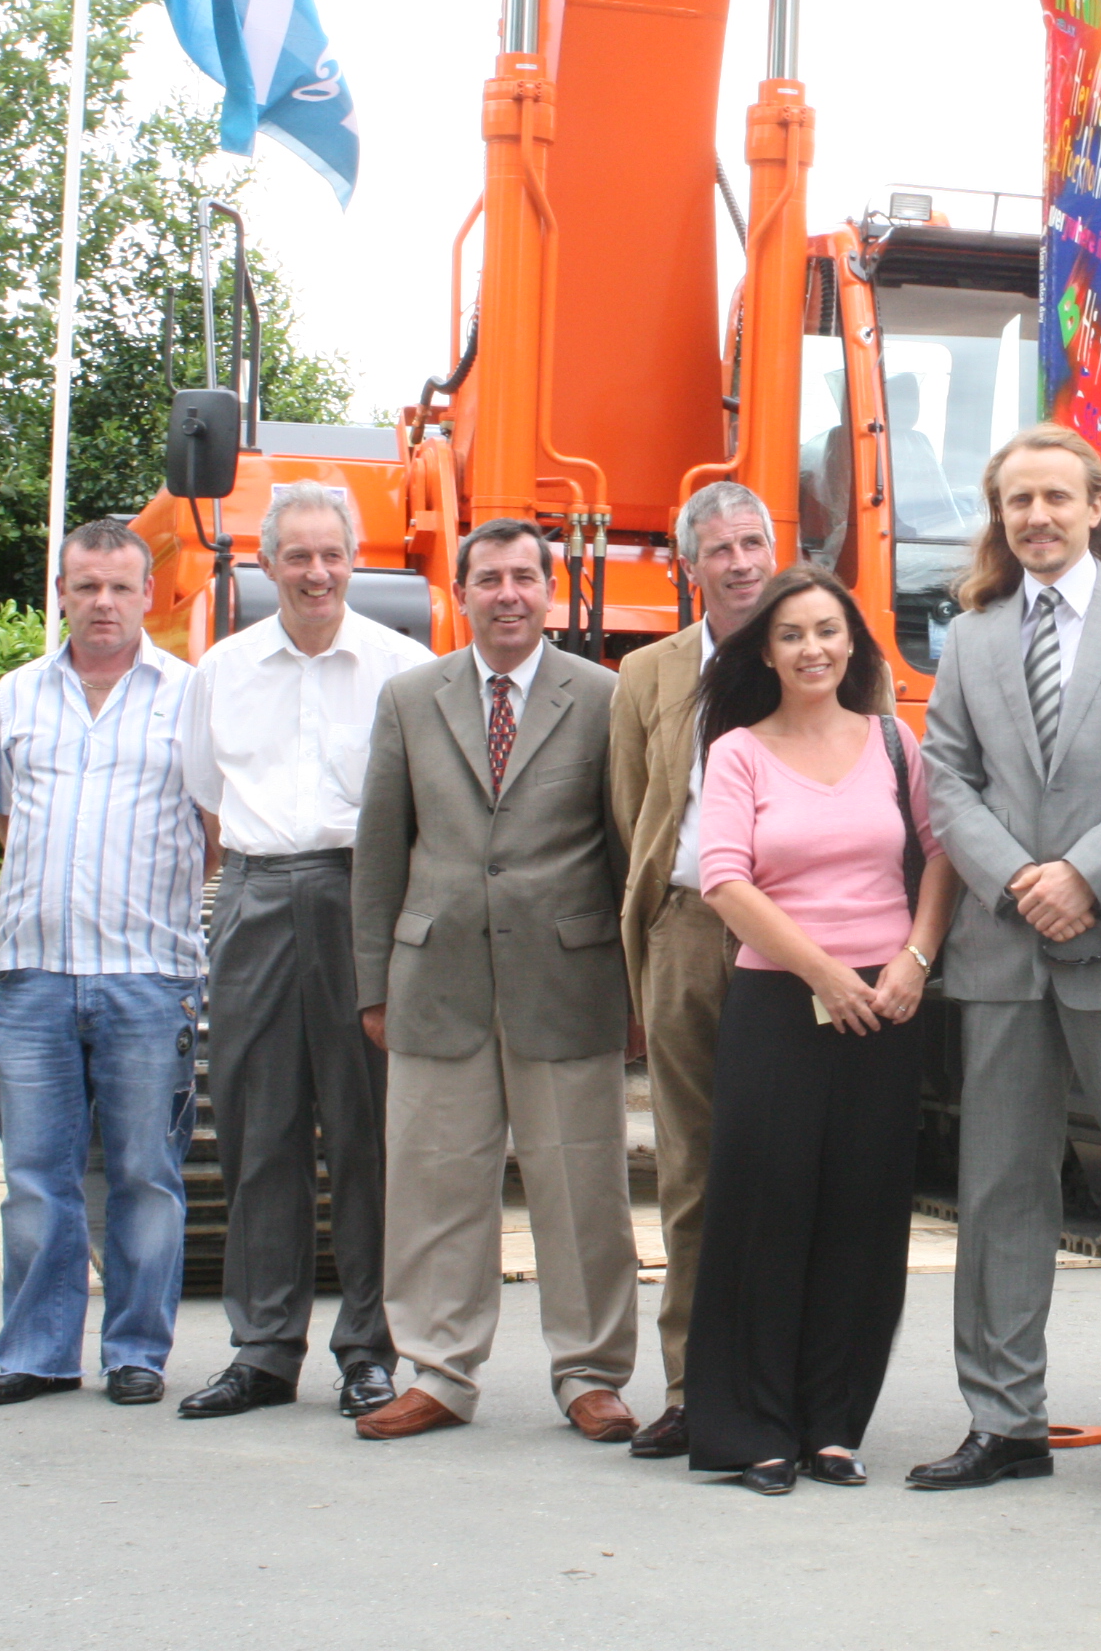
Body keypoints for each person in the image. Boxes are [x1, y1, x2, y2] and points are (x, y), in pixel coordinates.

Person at [909, 424, 1101, 1512]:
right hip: (1001, 952)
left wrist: (1082, 875)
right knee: (997, 1191)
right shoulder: (974, 637)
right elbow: (945, 780)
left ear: (1096, 505)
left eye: (1055, 496)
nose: (1035, 517)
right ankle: (1004, 1419)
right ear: (1000, 520)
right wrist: (1015, 881)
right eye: (1015, 502)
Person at [348, 517, 640, 1442]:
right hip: (435, 982)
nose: (507, 593)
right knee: (434, 1186)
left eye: (524, 577)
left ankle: (590, 1372)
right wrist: (372, 985)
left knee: (583, 1188)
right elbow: (380, 850)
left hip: (570, 982)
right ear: (461, 590)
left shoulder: (604, 696)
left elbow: (632, 849)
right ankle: (438, 1372)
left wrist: (635, 989)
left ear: (550, 592)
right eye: (489, 578)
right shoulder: (409, 698)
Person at [684, 566, 955, 1493]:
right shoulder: (738, 753)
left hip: (888, 1009)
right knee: (767, 1212)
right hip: (781, 1005)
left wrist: (913, 961)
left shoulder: (892, 741)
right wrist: (825, 972)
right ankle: (753, 1428)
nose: (813, 649)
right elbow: (724, 880)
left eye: (829, 632)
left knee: (863, 1217)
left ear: (854, 644)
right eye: (793, 634)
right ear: (766, 649)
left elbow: (939, 857)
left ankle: (833, 1425)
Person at [174, 480, 430, 1421]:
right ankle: (264, 1348)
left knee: (368, 1131)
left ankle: (370, 1348)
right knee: (258, 1127)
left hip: (362, 895)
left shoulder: (404, 668)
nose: (316, 573)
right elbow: (208, 792)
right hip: (252, 895)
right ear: (267, 563)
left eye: (332, 554)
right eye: (298, 556)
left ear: (355, 558)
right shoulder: (222, 670)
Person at [0, 521, 211, 1409]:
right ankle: (36, 1351)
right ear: (59, 594)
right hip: (31, 976)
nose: (102, 602)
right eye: (85, 587)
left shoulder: (192, 698)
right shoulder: (15, 697)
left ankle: (137, 1350)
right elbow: (4, 822)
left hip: (149, 976)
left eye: (119, 587)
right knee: (34, 1176)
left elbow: (213, 834)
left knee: (147, 1173)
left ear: (149, 594)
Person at [608, 481, 783, 1459]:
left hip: (796, 945)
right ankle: (690, 1385)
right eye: (718, 548)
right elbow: (631, 814)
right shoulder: (647, 676)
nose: (740, 561)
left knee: (790, 1170)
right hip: (684, 932)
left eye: (753, 541)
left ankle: (786, 1389)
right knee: (691, 1173)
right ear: (691, 565)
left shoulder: (824, 653)